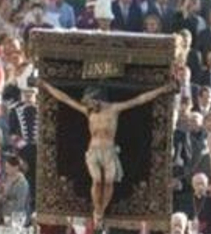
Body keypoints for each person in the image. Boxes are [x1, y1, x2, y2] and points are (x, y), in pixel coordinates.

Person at [38, 81, 175, 224]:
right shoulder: (88, 111)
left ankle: (101, 211)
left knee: (108, 182)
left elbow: (140, 100)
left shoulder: (113, 109)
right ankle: (97, 211)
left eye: (90, 101)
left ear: (98, 99)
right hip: (93, 151)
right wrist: (46, 86)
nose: (87, 104)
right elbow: (65, 99)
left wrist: (163, 89)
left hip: (109, 151)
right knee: (97, 181)